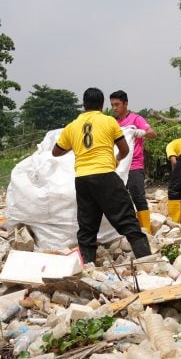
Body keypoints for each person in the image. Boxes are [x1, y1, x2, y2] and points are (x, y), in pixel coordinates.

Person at [53, 88, 151, 265]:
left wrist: (75, 146)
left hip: (82, 180)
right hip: (105, 175)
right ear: (102, 105)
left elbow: (56, 152)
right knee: (127, 218)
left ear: (84, 104)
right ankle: (148, 262)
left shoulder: (72, 126)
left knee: (87, 226)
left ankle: (88, 266)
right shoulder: (109, 122)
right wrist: (117, 159)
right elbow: (124, 149)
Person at [109, 90, 157, 233]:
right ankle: (126, 229)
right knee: (119, 197)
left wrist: (142, 133)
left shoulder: (136, 119)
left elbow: (153, 134)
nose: (114, 108)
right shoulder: (114, 122)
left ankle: (146, 230)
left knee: (138, 196)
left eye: (117, 104)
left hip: (135, 165)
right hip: (118, 165)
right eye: (112, 105)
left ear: (125, 103)